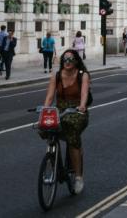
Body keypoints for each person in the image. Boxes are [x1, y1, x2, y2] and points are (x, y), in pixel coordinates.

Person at [43, 49, 89, 194]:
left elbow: (84, 94)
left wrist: (82, 106)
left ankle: (78, 177)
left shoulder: (83, 75)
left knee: (72, 137)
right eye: (65, 59)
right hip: (60, 109)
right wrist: (45, 109)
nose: (67, 62)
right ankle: (54, 157)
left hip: (76, 110)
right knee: (46, 126)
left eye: (71, 59)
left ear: (76, 61)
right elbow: (50, 97)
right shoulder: (56, 76)